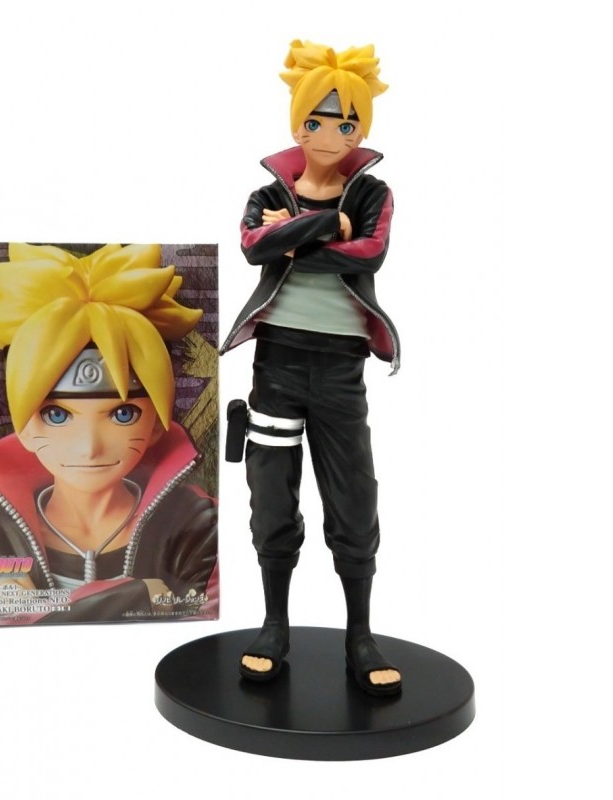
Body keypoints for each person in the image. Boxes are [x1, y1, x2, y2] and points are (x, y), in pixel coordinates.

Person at [220, 40, 401, 694]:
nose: (331, 134)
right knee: (271, 493)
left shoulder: (374, 193)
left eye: (347, 122)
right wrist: (330, 226)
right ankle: (275, 624)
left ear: (361, 128)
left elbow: (370, 254)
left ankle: (360, 635)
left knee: (354, 497)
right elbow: (253, 247)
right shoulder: (265, 192)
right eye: (318, 120)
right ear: (297, 122)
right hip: (276, 366)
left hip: (341, 370)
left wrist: (295, 235)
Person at [0, 243, 218, 625]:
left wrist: (40, 607)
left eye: (123, 414)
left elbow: (203, 615)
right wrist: (143, 593)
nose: (89, 447)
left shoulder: (197, 523)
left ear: (155, 424)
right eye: (56, 415)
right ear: (23, 427)